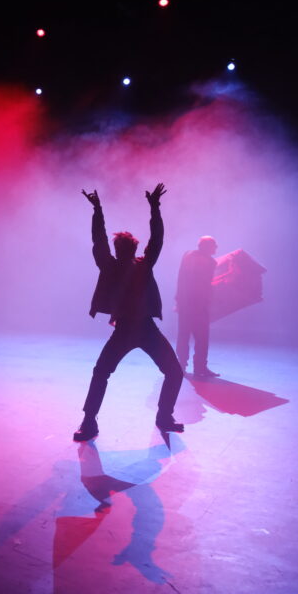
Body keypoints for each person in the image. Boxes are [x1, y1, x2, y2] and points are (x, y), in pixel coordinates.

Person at [74, 184, 185, 441]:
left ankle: (90, 422)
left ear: (120, 249)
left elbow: (99, 240)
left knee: (102, 373)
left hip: (135, 329)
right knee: (171, 372)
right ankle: (161, 417)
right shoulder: (130, 265)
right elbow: (156, 240)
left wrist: (98, 210)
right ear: (134, 248)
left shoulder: (118, 265)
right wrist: (154, 208)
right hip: (137, 329)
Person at [175, 236, 221, 378]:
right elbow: (205, 284)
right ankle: (199, 367)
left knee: (184, 336)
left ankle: (181, 365)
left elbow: (182, 280)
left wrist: (179, 300)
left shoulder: (188, 256)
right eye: (214, 245)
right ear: (207, 247)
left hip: (186, 304)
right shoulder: (209, 262)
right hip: (198, 306)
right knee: (201, 338)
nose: (216, 248)